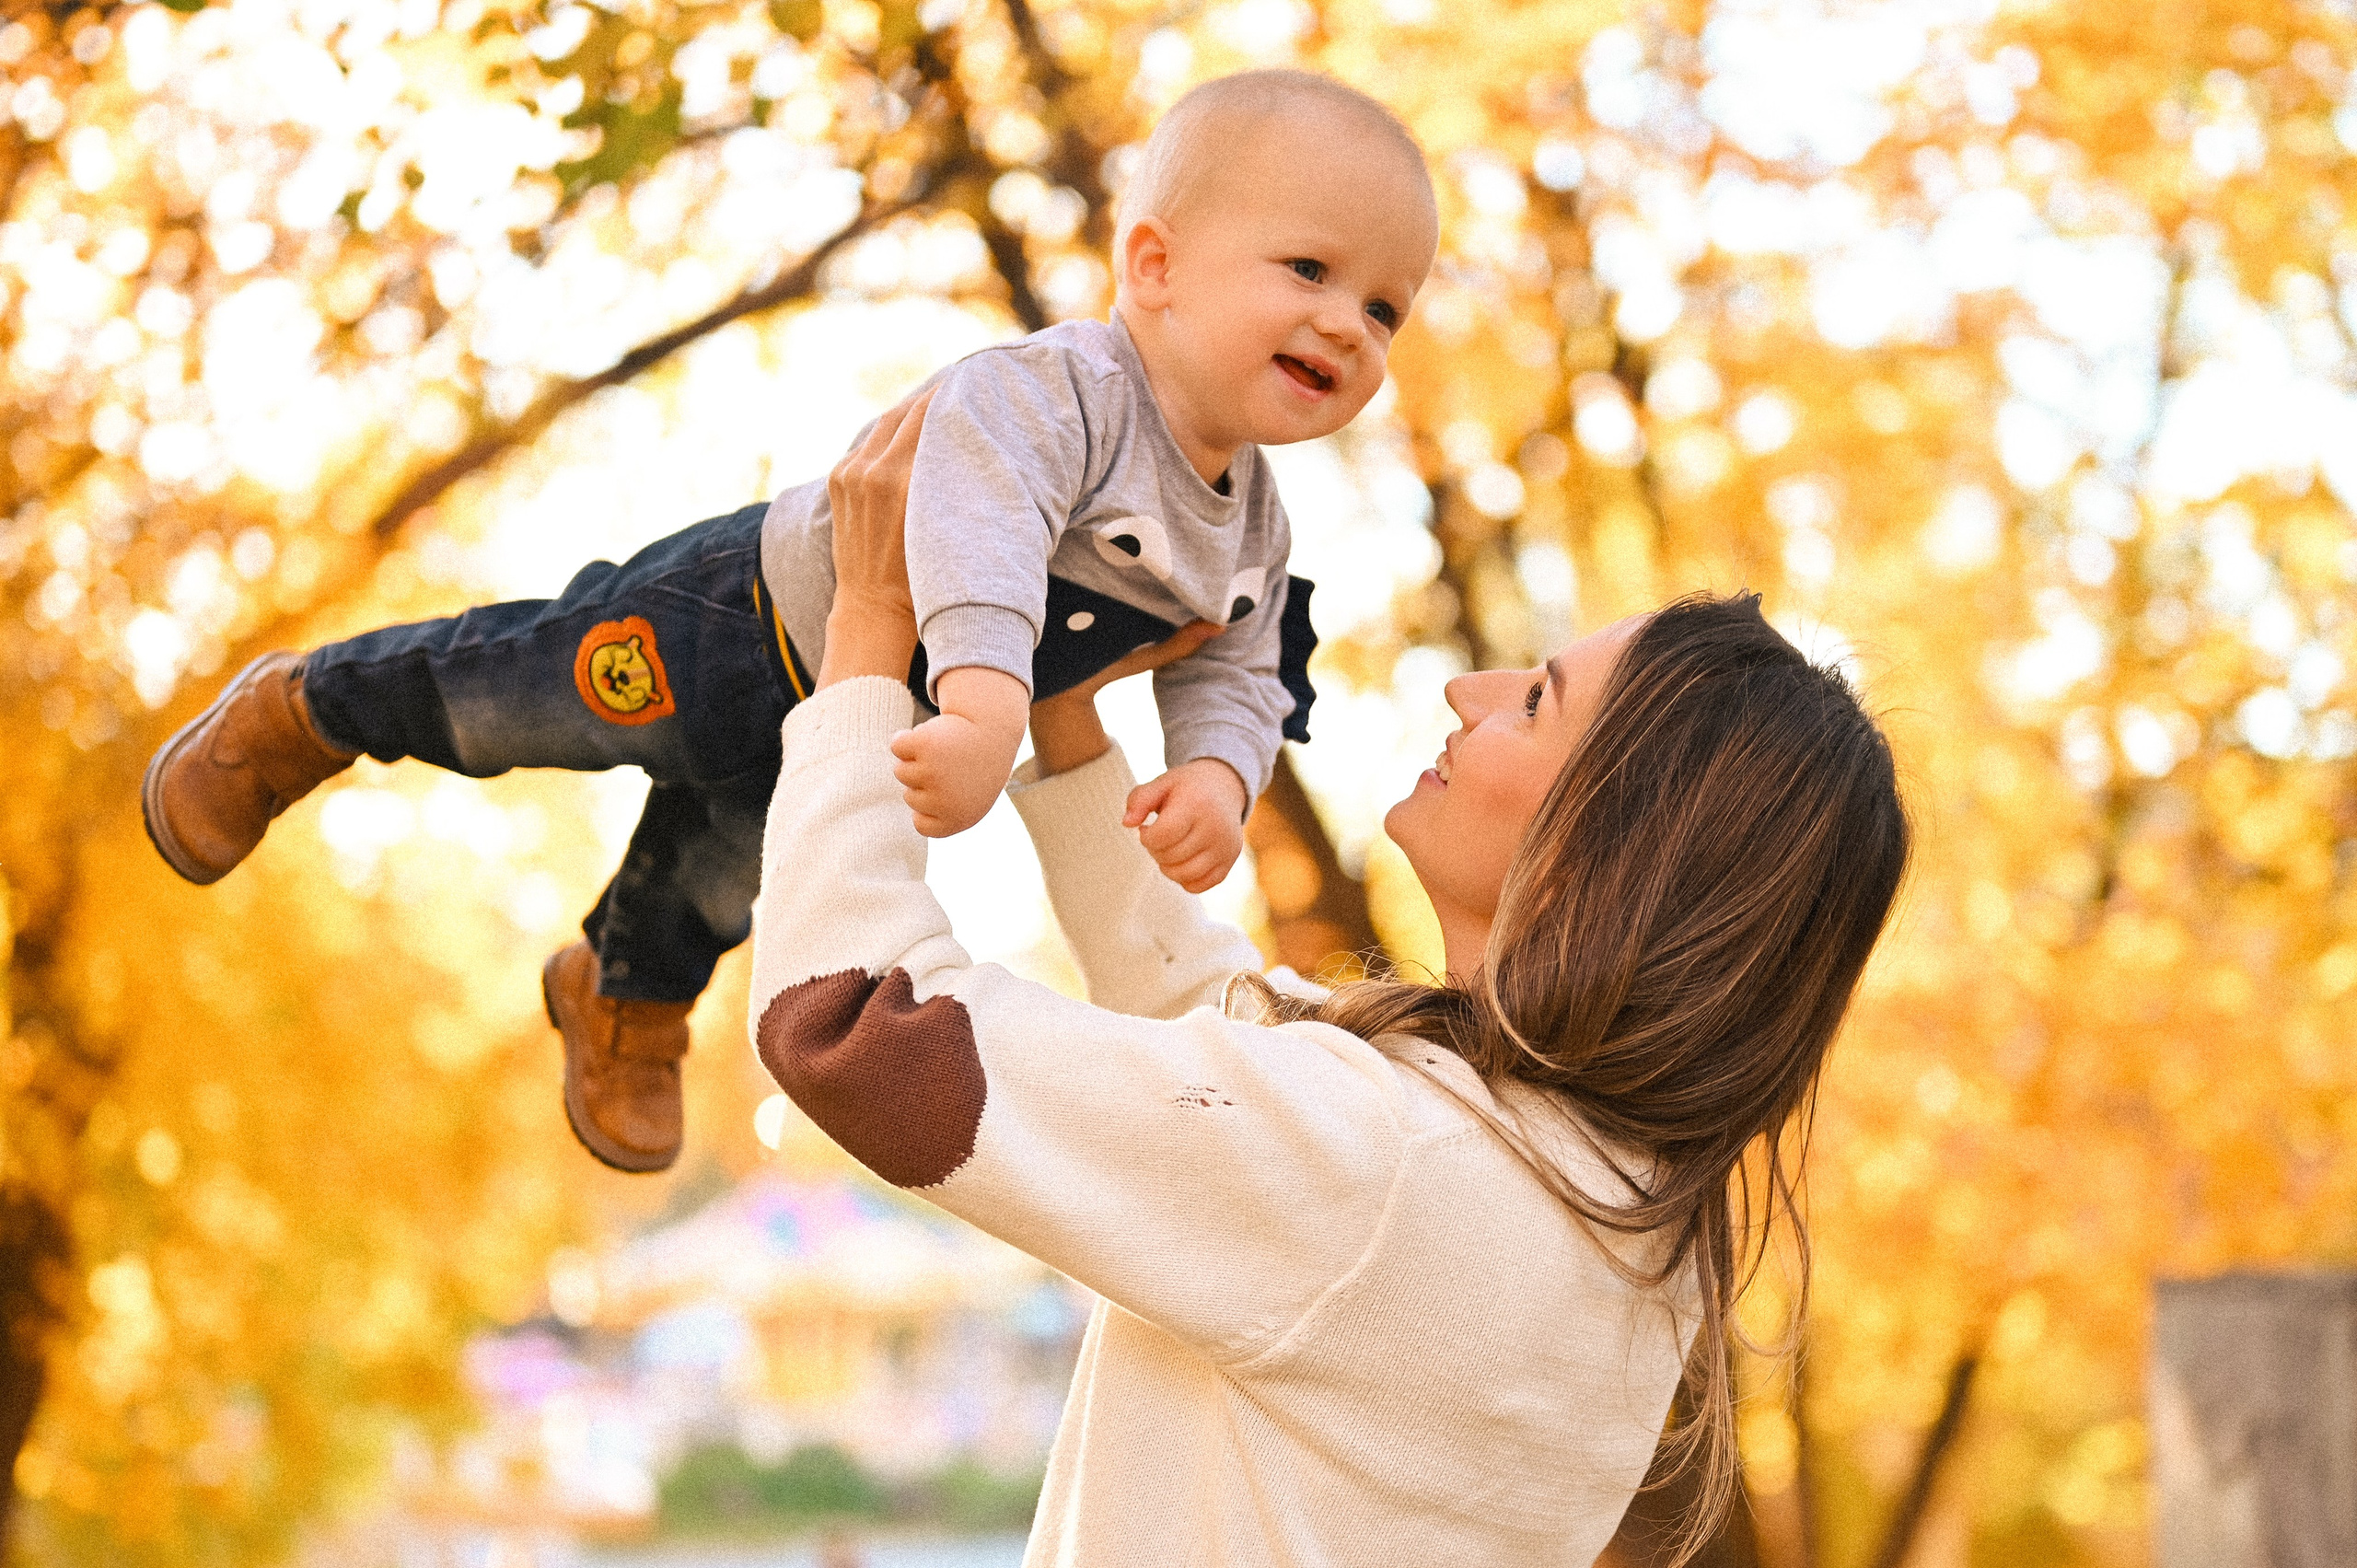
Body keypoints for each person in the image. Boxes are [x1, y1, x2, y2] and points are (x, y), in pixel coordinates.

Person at [136, 68, 1440, 1175]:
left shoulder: (1255, 526)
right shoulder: (1066, 394)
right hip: (743, 617)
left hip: (853, 722)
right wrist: (988, 694)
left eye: (1384, 306)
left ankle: (619, 994)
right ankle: (307, 709)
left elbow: (1240, 662)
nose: (1349, 323)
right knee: (511, 695)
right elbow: (977, 509)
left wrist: (1216, 770)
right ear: (1153, 267)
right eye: (1310, 270)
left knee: (720, 877)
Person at [748, 397, 1911, 1565]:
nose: (1471, 691)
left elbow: (848, 1027)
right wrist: (1066, 715)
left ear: (1617, 848)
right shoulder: (1625, 1230)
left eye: (1535, 700)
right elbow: (1227, 1034)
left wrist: (870, 627)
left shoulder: (1397, 1167)